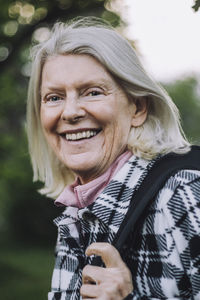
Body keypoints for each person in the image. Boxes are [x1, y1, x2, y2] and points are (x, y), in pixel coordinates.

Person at [26, 16, 200, 300]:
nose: (69, 112)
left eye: (93, 92)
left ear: (138, 108)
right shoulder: (75, 215)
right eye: (54, 97)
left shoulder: (184, 194)